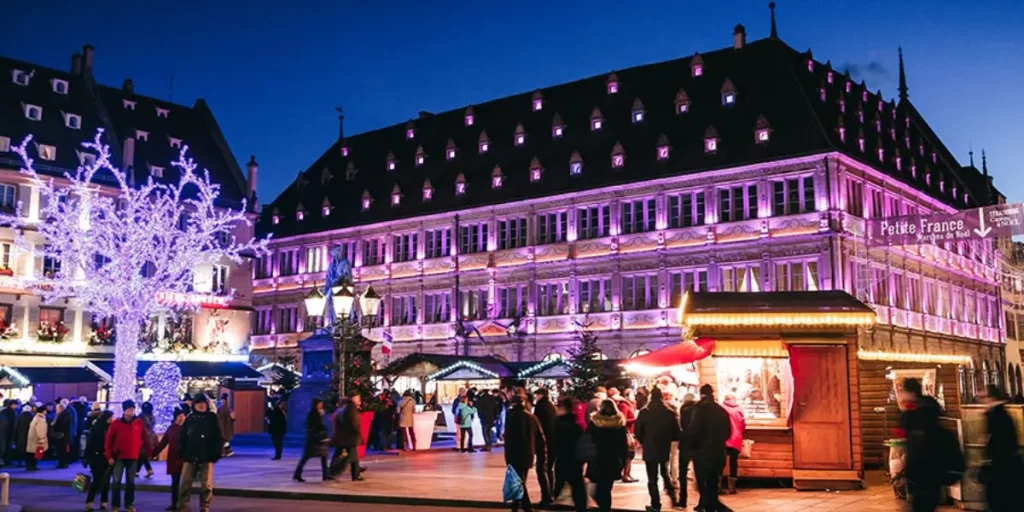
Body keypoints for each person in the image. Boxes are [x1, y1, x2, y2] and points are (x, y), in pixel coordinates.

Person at [634, 386, 680, 511]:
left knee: (652, 478)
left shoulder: (645, 412)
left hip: (650, 447)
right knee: (665, 472)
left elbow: (638, 431)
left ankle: (655, 504)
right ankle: (674, 498)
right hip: (663, 446)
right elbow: (676, 432)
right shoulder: (669, 412)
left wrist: (645, 440)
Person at [980, 384, 1022, 512]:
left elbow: (1001, 443)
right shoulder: (999, 414)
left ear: (991, 398)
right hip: (1005, 467)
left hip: (1001, 468)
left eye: (984, 397)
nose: (982, 401)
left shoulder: (996, 415)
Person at [178, 392, 223, 512]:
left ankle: (205, 506)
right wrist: (182, 451)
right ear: (194, 405)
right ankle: (182, 505)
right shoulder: (190, 418)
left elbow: (218, 436)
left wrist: (216, 453)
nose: (201, 406)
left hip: (207, 455)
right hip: (190, 455)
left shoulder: (212, 418)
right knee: (185, 483)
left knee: (206, 485)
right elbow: (183, 436)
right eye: (199, 403)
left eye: (203, 403)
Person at [690, 384, 730, 512]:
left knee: (702, 480)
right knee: (713, 479)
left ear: (701, 394)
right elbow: (728, 431)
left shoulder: (698, 409)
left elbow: (694, 430)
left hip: (702, 451)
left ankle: (707, 504)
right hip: (718, 450)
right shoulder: (721, 410)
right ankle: (710, 504)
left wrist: (693, 446)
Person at [105, 399, 149, 512]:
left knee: (130, 483)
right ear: (124, 411)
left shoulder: (139, 423)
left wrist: (147, 452)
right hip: (119, 457)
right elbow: (108, 440)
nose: (131, 411)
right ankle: (116, 505)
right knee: (116, 482)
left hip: (133, 457)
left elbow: (145, 438)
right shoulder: (116, 424)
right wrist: (109, 456)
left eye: (133, 409)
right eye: (129, 409)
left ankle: (129, 504)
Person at [504, 395, 545, 512]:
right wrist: (541, 453)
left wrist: (508, 456)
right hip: (527, 454)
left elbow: (510, 439)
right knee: (520, 479)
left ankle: (525, 506)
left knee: (518, 481)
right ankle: (516, 506)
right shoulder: (532, 417)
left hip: (515, 454)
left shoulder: (512, 418)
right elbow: (540, 437)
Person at [587, 399, 629, 512]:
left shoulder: (594, 424)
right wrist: (624, 462)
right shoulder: (619, 425)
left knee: (595, 488)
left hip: (596, 460)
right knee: (606, 489)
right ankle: (605, 508)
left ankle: (603, 507)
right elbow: (623, 446)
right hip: (613, 460)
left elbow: (587, 442)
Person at [551, 397, 586, 512]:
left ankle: (556, 504)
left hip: (562, 458)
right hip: (575, 460)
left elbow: (554, 443)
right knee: (578, 488)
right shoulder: (577, 426)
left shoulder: (557, 425)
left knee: (559, 486)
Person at [150, 408, 185, 511]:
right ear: (175, 418)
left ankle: (182, 503)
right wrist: (153, 453)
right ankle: (174, 503)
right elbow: (163, 443)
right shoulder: (171, 429)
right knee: (175, 482)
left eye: (183, 416)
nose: (181, 418)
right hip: (174, 459)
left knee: (184, 483)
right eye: (179, 416)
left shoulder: (187, 428)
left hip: (184, 459)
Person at [293, 398, 332, 482]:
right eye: (319, 404)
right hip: (314, 439)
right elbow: (317, 425)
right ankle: (297, 474)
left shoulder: (318, 413)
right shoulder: (313, 414)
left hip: (319, 439)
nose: (321, 406)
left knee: (324, 457)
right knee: (306, 457)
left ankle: (326, 474)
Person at [331, 391, 365, 481]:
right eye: (358, 398)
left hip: (344, 436)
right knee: (352, 456)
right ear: (353, 398)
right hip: (350, 436)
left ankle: (355, 474)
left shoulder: (345, 407)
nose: (359, 400)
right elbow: (354, 422)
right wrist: (358, 433)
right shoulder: (351, 408)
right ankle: (336, 470)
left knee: (350, 455)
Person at [532, 388, 557, 506]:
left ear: (541, 395)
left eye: (537, 395)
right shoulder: (552, 407)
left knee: (541, 469)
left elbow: (538, 425)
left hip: (543, 442)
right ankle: (552, 493)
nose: (536, 397)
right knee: (549, 469)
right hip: (552, 441)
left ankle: (546, 495)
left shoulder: (540, 407)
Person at [84, 410, 113, 512]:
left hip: (105, 457)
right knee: (98, 480)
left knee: (105, 480)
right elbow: (90, 443)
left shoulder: (109, 428)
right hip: (97, 457)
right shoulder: (97, 428)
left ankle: (102, 502)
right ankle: (91, 501)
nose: (112, 419)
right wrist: (87, 457)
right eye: (111, 417)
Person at [721, 393, 747, 495]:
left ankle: (718, 486)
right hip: (736, 439)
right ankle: (732, 488)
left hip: (723, 439)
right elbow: (744, 424)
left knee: (721, 463)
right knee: (733, 463)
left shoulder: (721, 408)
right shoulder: (739, 410)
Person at [613, 388, 639, 483]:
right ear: (627, 395)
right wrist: (635, 419)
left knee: (630, 454)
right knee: (629, 454)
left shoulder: (629, 405)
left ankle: (628, 474)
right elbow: (623, 420)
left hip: (630, 432)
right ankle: (625, 474)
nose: (634, 396)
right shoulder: (624, 405)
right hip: (627, 432)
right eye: (632, 394)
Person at [677, 393, 698, 508]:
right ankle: (702, 502)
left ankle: (682, 499)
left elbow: (680, 426)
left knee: (682, 472)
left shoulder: (683, 409)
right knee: (699, 472)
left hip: (685, 443)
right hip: (696, 444)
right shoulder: (698, 410)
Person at [26, 403, 49, 471]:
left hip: (32, 437)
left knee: (31, 452)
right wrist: (42, 438)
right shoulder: (41, 419)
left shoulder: (36, 417)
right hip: (36, 438)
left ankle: (29, 465)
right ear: (43, 411)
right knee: (35, 452)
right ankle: (32, 465)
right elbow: (41, 429)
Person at [137, 402, 157, 478]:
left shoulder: (141, 416)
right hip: (150, 436)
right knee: (143, 454)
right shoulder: (152, 416)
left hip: (143, 436)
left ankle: (137, 471)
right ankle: (148, 470)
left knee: (141, 454)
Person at [52, 402, 73, 468]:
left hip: (62, 436)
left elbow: (62, 425)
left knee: (62, 451)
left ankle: (63, 463)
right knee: (61, 450)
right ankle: (63, 463)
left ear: (60, 408)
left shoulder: (63, 415)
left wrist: (53, 425)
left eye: (57, 408)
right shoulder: (64, 414)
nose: (56, 409)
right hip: (62, 436)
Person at [217, 393, 235, 457]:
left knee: (222, 438)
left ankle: (225, 451)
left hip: (220, 424)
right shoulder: (228, 407)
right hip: (227, 425)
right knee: (225, 438)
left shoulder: (218, 406)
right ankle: (228, 451)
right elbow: (233, 417)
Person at [15, 404, 32, 468]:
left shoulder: (19, 417)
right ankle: (26, 462)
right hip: (29, 436)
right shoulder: (32, 417)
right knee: (27, 450)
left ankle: (19, 462)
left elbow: (16, 427)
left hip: (20, 436)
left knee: (20, 449)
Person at [0, 400, 12, 467]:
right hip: (3, 436)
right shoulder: (4, 417)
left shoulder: (3, 417)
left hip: (3, 435)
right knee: (2, 448)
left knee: (3, 448)